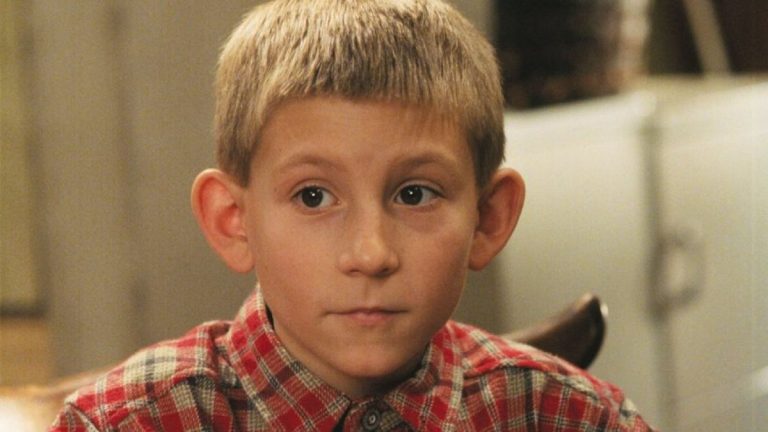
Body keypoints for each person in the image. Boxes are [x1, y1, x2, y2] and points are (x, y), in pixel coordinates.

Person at [51, 0, 655, 430]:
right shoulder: (125, 424)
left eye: (414, 195)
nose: (371, 254)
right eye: (313, 197)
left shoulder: (574, 418)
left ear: (488, 217)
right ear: (232, 219)